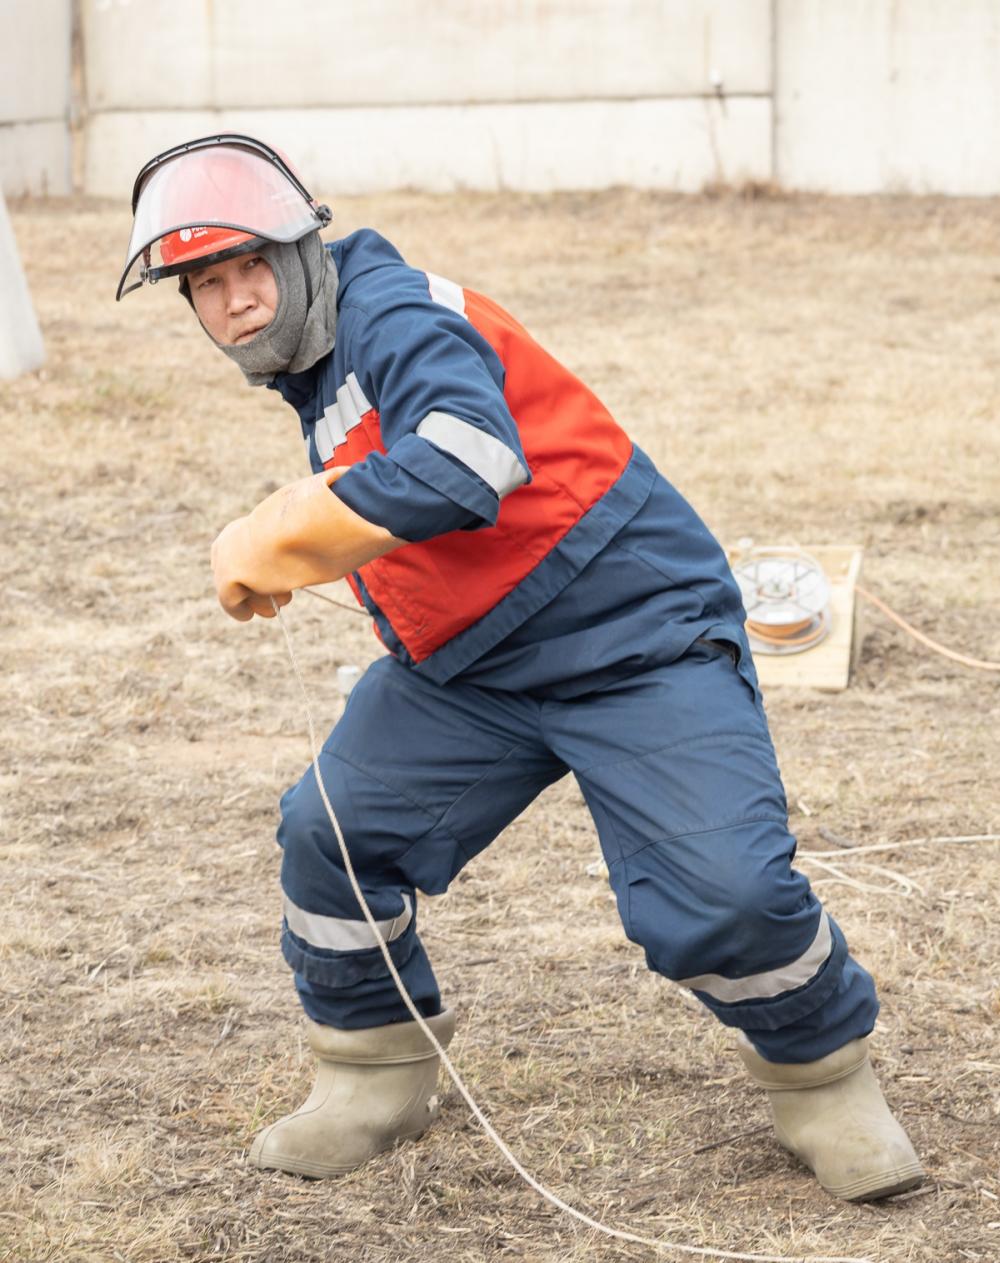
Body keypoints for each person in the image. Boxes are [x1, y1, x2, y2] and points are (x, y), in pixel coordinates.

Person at [117, 134, 924, 1199]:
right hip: (471, 668)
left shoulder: (392, 312)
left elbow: (468, 463)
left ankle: (821, 1079)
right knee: (333, 836)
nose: (234, 303)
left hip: (634, 637)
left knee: (724, 898)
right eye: (205, 286)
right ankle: (373, 1072)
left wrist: (289, 527)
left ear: (305, 249)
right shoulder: (313, 360)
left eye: (250, 267)